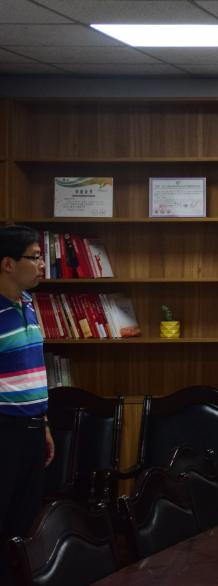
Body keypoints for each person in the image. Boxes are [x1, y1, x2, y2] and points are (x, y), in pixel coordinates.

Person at [0, 225, 54, 573]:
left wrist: (43, 424)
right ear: (7, 264)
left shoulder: (29, 303)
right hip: (5, 430)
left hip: (33, 428)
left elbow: (32, 370)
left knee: (24, 524)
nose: (42, 265)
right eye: (34, 257)